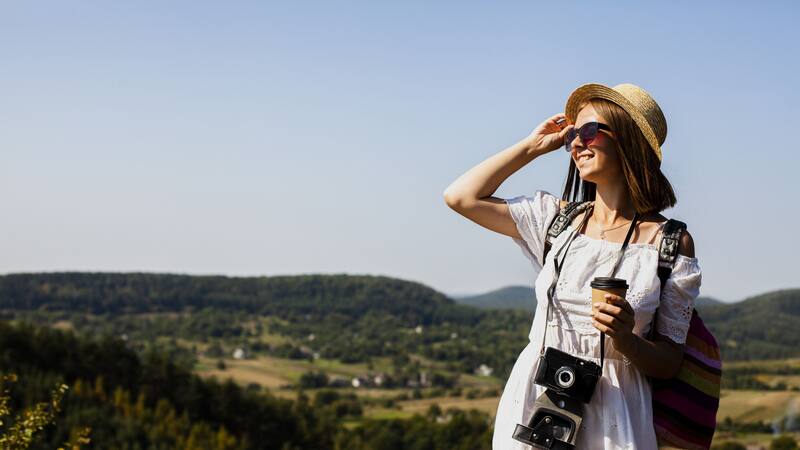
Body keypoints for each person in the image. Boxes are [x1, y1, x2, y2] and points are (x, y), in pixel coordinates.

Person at [443, 83, 701, 449]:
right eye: (572, 135)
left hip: (616, 415)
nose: (576, 143)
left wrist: (626, 339)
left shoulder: (669, 243)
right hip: (536, 404)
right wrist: (532, 147)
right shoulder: (557, 221)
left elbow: (669, 361)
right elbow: (460, 197)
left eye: (590, 131)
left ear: (628, 139)